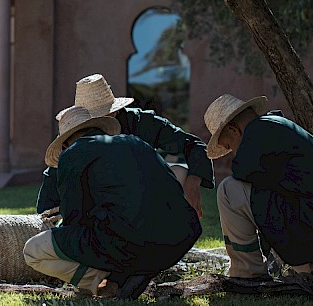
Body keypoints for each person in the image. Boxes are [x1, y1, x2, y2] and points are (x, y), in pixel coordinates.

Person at [24, 106, 201, 299]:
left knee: (33, 251)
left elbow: (74, 218)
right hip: (180, 238)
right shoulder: (135, 142)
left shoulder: (73, 153)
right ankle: (137, 271)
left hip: (132, 243)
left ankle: (109, 281)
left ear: (65, 143)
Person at [204, 94, 313, 279]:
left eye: (229, 145)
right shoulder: (277, 127)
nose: (233, 153)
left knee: (228, 189)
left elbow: (241, 170)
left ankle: (246, 272)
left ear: (234, 131)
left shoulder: (259, 131)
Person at [36, 74, 214, 217]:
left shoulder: (141, 122)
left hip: (143, 197)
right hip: (96, 204)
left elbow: (194, 144)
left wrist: (193, 182)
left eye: (102, 118)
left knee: (178, 171)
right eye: (91, 123)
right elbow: (53, 178)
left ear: (114, 111)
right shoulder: (72, 133)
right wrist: (43, 220)